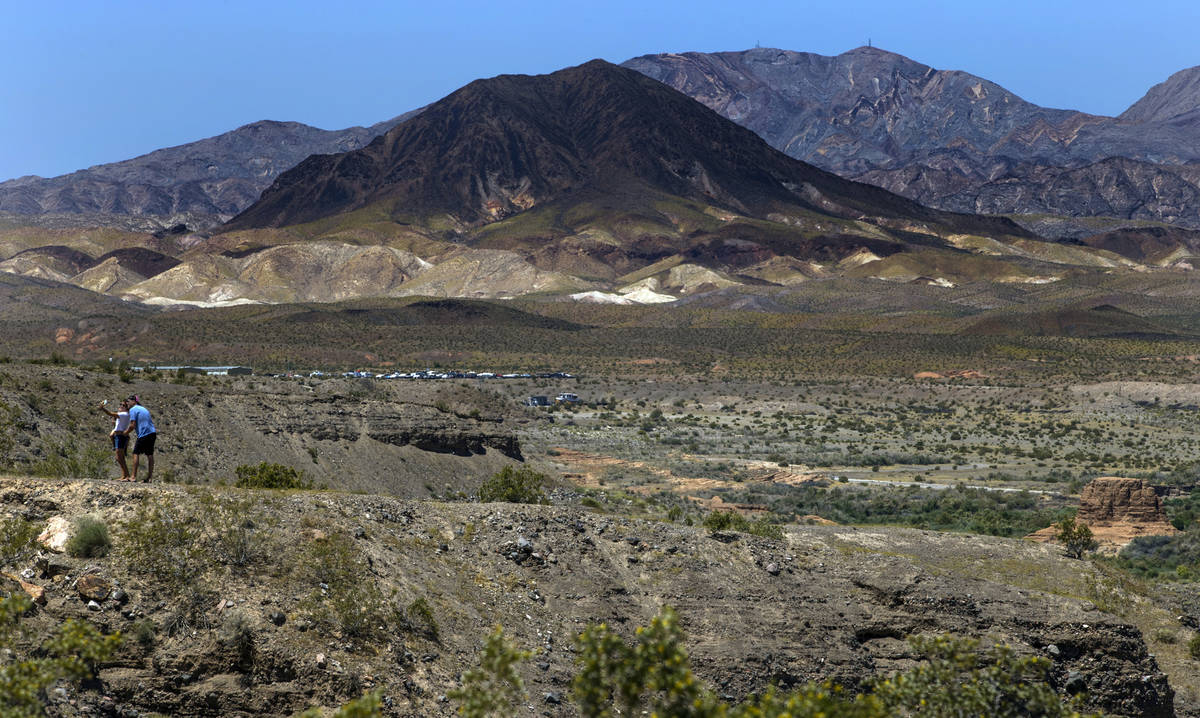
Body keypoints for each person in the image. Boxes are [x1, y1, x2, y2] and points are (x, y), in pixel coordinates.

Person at [124, 395, 157, 483]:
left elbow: (132, 425)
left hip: (144, 434)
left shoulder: (133, 410)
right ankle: (149, 478)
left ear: (134, 401)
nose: (127, 403)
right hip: (152, 433)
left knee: (136, 453)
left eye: (128, 401)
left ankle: (133, 476)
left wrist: (125, 433)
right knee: (149, 454)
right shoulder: (143, 409)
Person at [98, 398, 131, 481]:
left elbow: (110, 413)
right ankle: (124, 475)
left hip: (120, 436)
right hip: (119, 436)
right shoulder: (124, 414)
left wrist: (103, 408)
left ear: (127, 408)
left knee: (120, 457)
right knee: (119, 457)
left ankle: (126, 476)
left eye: (123, 405)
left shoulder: (124, 414)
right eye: (121, 404)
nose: (121, 406)